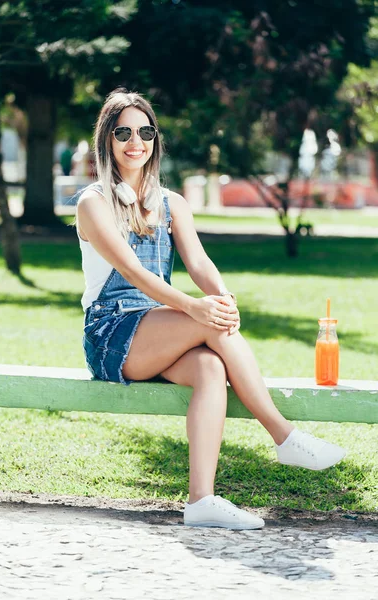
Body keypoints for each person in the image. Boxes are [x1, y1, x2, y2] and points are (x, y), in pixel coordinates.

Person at [75, 88, 346, 531]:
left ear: (155, 139)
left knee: (208, 368)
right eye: (122, 132)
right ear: (107, 139)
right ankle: (284, 436)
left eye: (144, 131)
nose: (134, 141)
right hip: (112, 334)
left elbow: (199, 263)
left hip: (158, 330)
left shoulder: (171, 203)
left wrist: (221, 297)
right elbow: (133, 272)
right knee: (209, 326)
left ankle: (201, 499)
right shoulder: (93, 203)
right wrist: (197, 310)